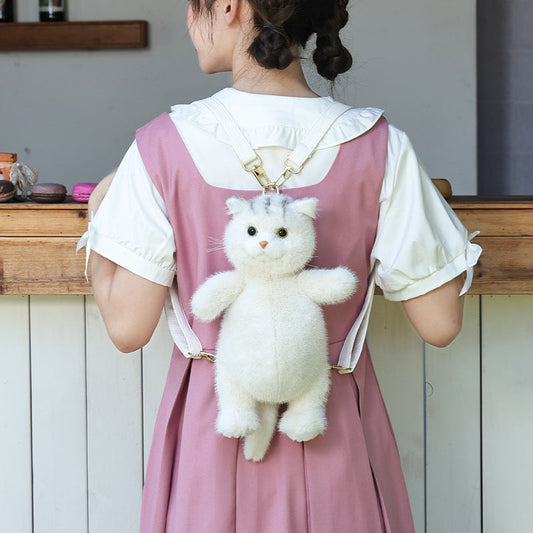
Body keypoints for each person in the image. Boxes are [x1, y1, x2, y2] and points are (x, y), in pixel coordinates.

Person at [80, 0, 482, 531]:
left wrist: (99, 214)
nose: (186, 19)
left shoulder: (161, 145)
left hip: (218, 423)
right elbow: (440, 323)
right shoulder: (380, 145)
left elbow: (127, 327)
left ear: (229, 6)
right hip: (330, 425)